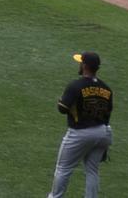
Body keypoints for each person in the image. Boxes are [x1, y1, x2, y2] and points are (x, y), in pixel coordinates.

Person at [47, 51, 112, 198]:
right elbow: (108, 113)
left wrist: (61, 100)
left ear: (84, 66)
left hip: (80, 133)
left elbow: (62, 109)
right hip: (103, 132)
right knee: (92, 170)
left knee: (63, 168)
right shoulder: (106, 88)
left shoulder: (76, 86)